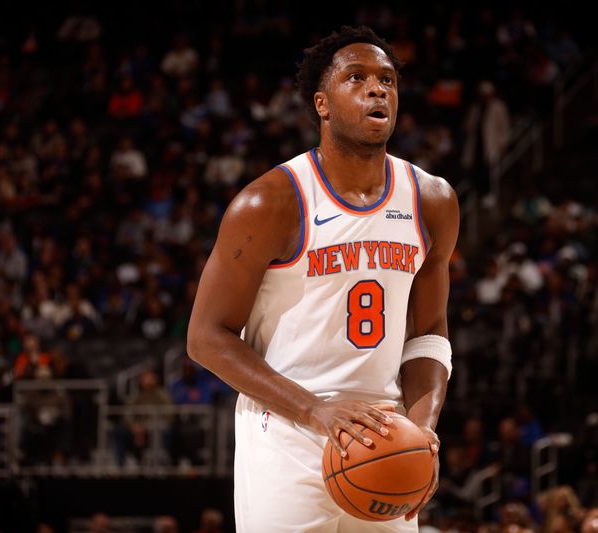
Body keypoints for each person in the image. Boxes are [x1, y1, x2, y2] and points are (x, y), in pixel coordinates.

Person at [187, 25, 458, 532]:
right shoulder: (270, 202)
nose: (377, 89)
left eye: (387, 80)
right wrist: (316, 412)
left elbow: (430, 331)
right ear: (322, 103)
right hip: (288, 429)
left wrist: (421, 430)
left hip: (385, 433)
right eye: (356, 78)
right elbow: (205, 339)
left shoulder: (432, 200)